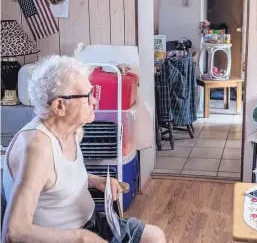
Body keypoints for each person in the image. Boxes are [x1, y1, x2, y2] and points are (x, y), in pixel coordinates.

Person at [2, 55, 166, 243]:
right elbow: (13, 232)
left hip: (90, 222)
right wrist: (80, 238)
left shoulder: (74, 131)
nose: (95, 101)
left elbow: (54, 179)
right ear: (59, 105)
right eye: (87, 96)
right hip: (62, 236)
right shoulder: (37, 148)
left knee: (155, 237)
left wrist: (95, 181)